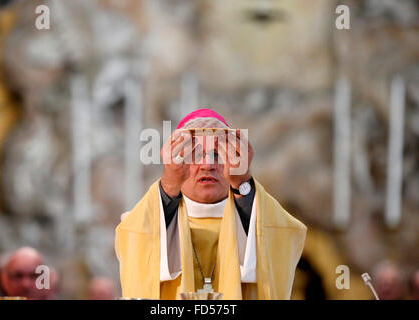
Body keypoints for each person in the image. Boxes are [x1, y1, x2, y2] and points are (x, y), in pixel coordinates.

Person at [115, 108, 307, 299]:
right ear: (177, 161)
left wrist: (243, 183)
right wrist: (170, 183)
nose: (207, 165)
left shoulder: (260, 217)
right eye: (196, 155)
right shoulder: (140, 224)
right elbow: (134, 238)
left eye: (217, 154)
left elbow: (284, 235)